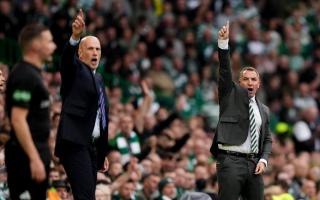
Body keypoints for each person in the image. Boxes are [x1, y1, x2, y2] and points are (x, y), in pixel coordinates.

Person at [210, 21, 272, 200]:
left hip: (254, 163)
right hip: (230, 161)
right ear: (239, 82)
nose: (250, 82)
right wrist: (223, 45)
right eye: (246, 79)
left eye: (254, 79)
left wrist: (263, 159)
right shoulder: (229, 96)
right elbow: (224, 71)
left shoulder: (264, 110)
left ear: (258, 84)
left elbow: (267, 139)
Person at [54, 9, 110, 199]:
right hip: (74, 143)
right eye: (90, 48)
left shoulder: (100, 79)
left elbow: (101, 118)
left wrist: (102, 153)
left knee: (86, 196)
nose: (95, 52)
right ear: (80, 52)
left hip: (91, 147)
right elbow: (66, 62)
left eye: (98, 49)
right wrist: (75, 37)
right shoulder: (75, 71)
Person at [5, 23, 56, 199]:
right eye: (49, 42)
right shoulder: (24, 75)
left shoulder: (33, 73)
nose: (54, 46)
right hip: (24, 157)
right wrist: (34, 159)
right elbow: (18, 120)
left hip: (36, 153)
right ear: (35, 45)